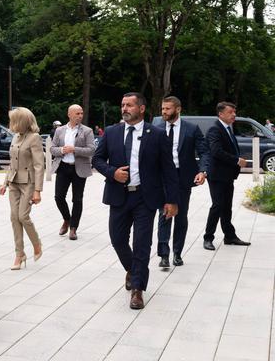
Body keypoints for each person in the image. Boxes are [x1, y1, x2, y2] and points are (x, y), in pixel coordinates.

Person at [92, 92, 178, 310]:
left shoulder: (157, 134)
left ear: (141, 108)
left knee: (141, 243)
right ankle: (132, 270)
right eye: (122, 105)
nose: (124, 108)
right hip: (118, 196)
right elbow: (97, 159)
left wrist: (172, 200)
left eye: (129, 105)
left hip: (145, 197)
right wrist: (112, 173)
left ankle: (137, 289)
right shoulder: (111, 132)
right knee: (117, 239)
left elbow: (168, 170)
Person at [155, 96, 209, 268]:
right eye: (163, 109)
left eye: (168, 109)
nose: (164, 112)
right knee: (165, 214)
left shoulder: (191, 129)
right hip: (163, 177)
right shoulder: (156, 129)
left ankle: (177, 253)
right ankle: (163, 254)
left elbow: (204, 151)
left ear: (178, 109)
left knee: (181, 216)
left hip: (183, 177)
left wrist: (202, 171)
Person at [0, 107, 44, 270]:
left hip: (28, 183)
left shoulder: (34, 138)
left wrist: (37, 190)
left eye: (13, 120)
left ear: (22, 121)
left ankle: (36, 243)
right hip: (14, 182)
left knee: (23, 216)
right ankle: (19, 254)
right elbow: (12, 163)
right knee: (14, 217)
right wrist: (4, 183)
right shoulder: (15, 137)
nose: (11, 123)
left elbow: (39, 165)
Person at [203, 101, 251, 250]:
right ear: (221, 114)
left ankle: (229, 236)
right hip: (217, 175)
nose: (234, 115)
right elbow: (216, 152)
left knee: (227, 207)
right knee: (217, 206)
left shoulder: (228, 129)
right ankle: (208, 238)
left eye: (234, 112)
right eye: (230, 112)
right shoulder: (214, 129)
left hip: (227, 175)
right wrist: (237, 160)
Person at [50, 104, 95, 240]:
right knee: (58, 197)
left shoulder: (87, 131)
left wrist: (74, 149)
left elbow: (91, 149)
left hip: (79, 168)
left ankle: (73, 228)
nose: (80, 116)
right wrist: (63, 150)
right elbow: (52, 148)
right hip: (63, 167)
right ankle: (67, 219)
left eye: (81, 113)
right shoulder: (60, 131)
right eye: (77, 114)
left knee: (77, 199)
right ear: (69, 115)